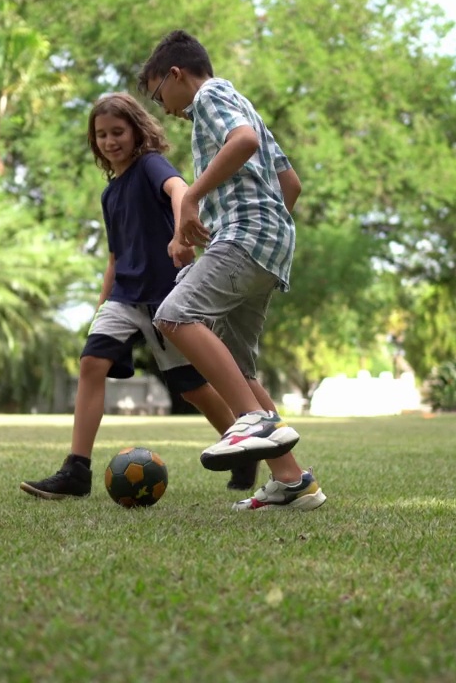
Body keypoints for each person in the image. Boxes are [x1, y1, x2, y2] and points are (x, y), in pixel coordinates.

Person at [21, 92, 259, 500]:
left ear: (136, 132)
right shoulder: (109, 195)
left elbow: (179, 188)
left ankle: (243, 446)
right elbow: (115, 256)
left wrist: (183, 229)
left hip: (167, 296)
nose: (110, 141)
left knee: (192, 387)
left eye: (118, 132)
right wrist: (101, 304)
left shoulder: (151, 165)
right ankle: (77, 470)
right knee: (92, 362)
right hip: (124, 296)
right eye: (101, 135)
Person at [137, 30, 326, 511]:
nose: (166, 110)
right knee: (239, 371)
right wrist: (261, 228)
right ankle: (293, 481)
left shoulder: (211, 95)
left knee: (174, 314)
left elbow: (240, 142)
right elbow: (291, 182)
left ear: (177, 76)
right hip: (265, 242)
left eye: (160, 95)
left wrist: (195, 200)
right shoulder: (247, 107)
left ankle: (253, 422)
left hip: (248, 237)